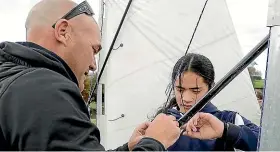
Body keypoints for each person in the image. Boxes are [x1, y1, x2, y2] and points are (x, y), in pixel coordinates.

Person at [0, 0, 180, 150]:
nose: (94, 65)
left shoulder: (14, 82)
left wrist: (128, 149)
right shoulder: (45, 90)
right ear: (63, 31)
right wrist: (156, 142)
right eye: (94, 50)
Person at [154, 53, 260, 151]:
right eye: (180, 89)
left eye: (195, 91)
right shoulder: (162, 121)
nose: (186, 98)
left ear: (211, 88)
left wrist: (225, 130)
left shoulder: (228, 119)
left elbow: (270, 142)